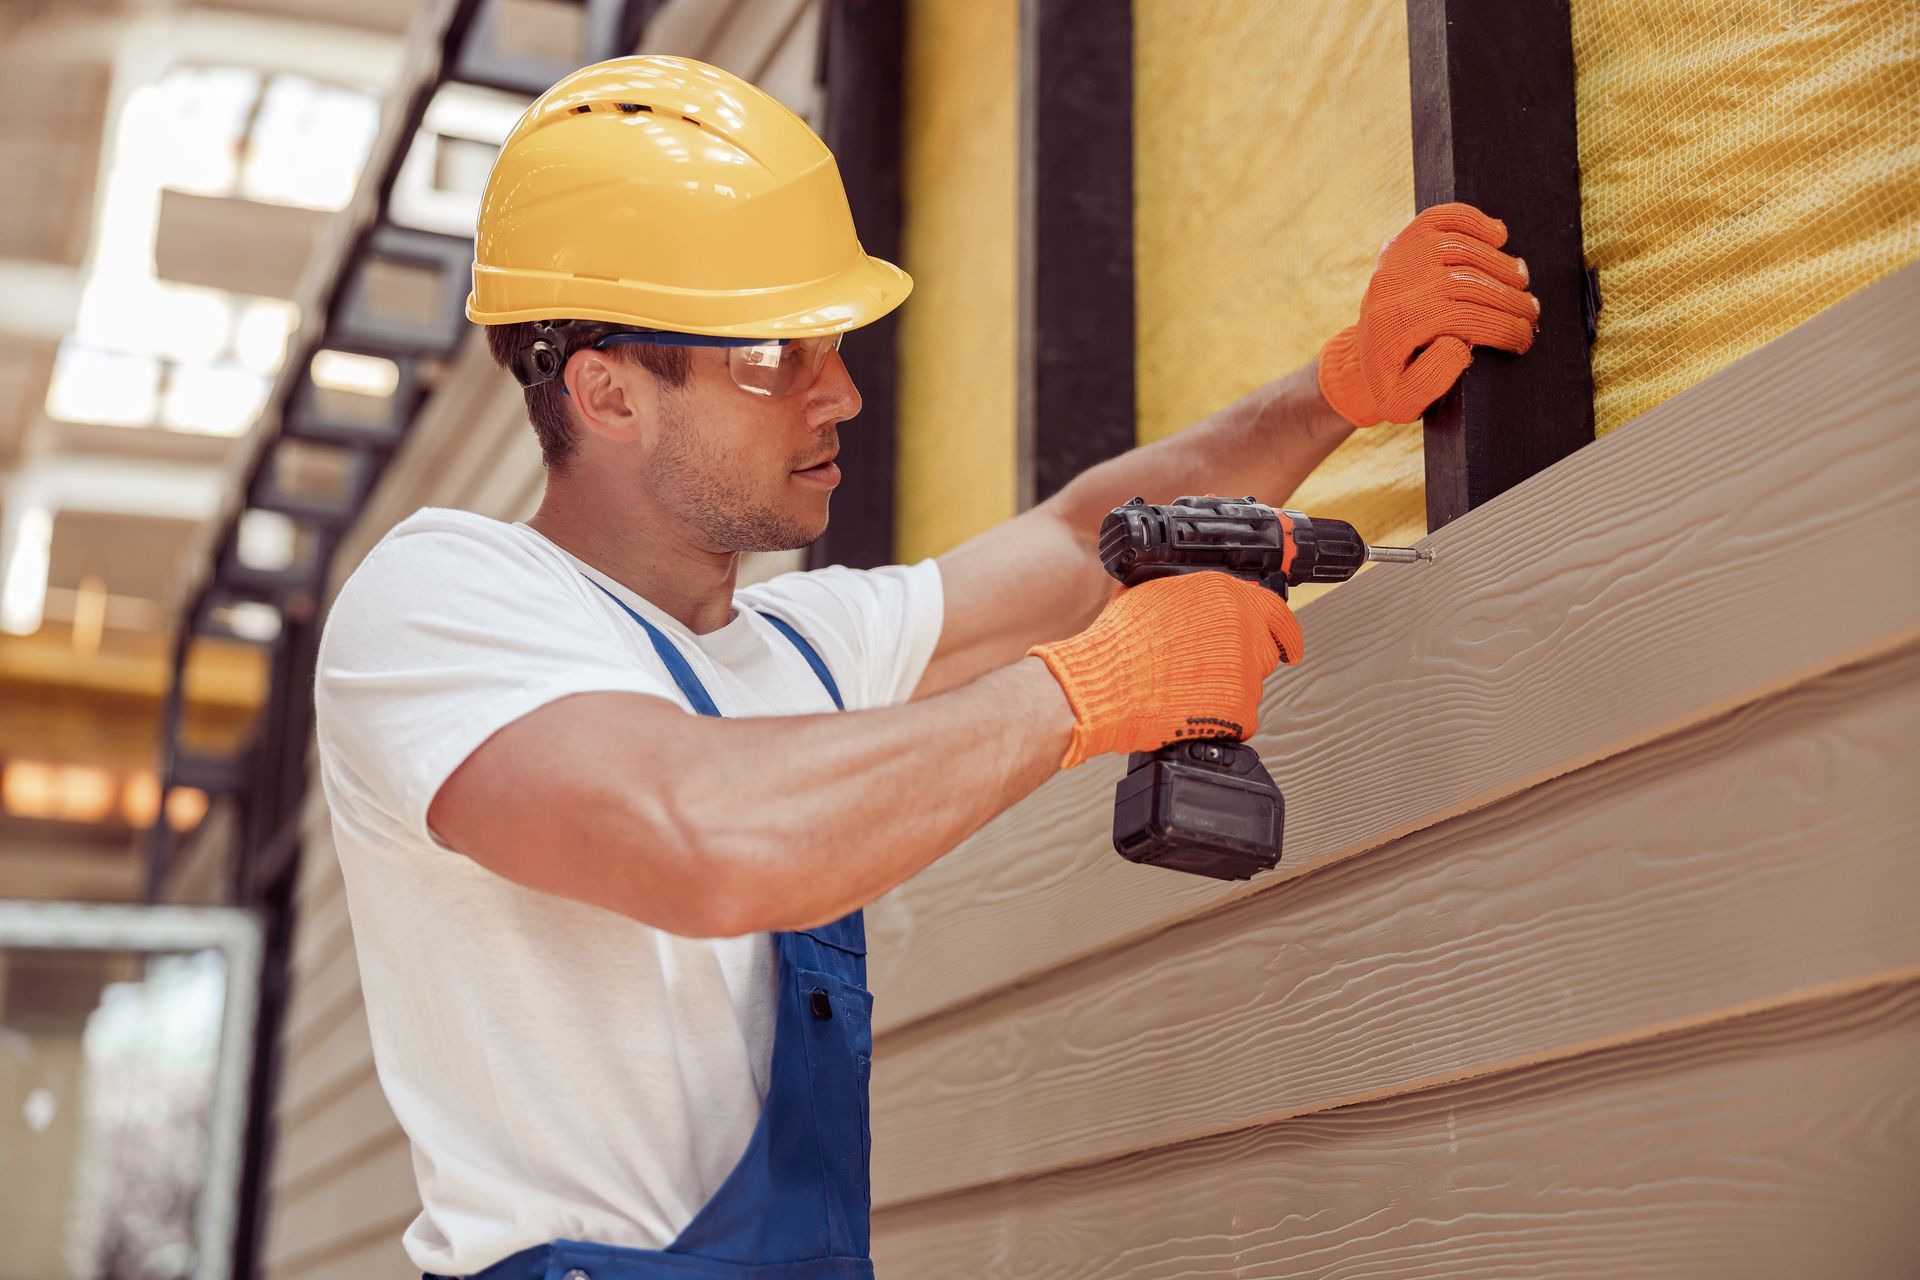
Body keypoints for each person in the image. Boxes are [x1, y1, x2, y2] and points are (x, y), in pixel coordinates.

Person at [313, 53, 1538, 1280]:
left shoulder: (801, 647)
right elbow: (700, 834)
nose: (839, 389)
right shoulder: (441, 603)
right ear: (608, 392)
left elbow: (1075, 542)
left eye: (832, 343)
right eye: (772, 355)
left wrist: (1336, 390)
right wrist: (1088, 690)